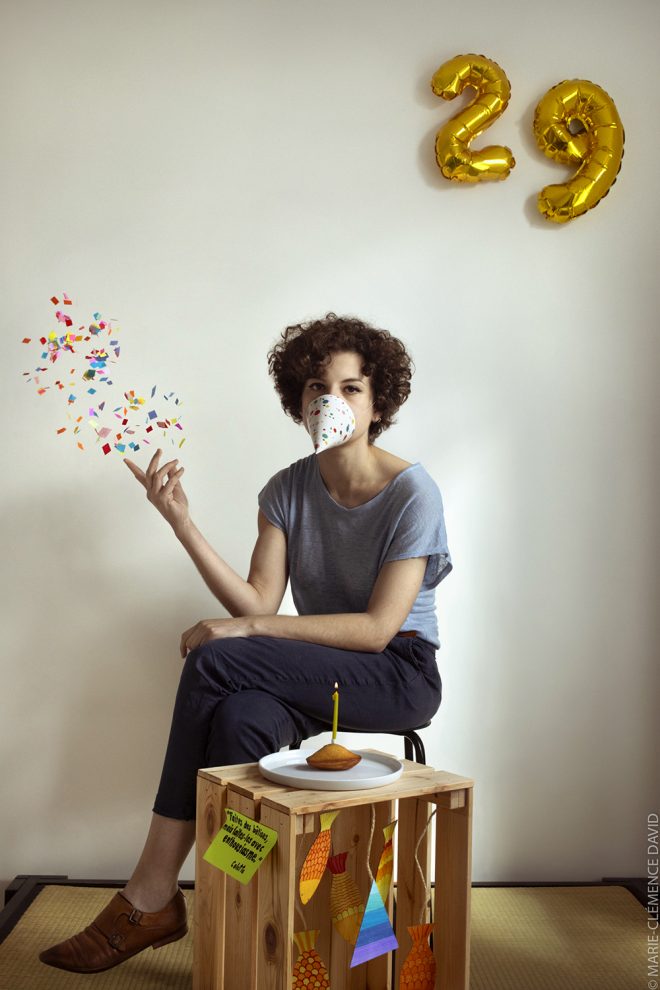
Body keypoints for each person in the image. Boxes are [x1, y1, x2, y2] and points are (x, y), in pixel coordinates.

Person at [39, 312, 452, 974]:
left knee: (217, 655)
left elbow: (376, 630)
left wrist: (246, 631)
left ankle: (148, 895)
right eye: (318, 387)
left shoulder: (412, 494)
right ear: (298, 402)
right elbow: (258, 603)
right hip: (314, 677)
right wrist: (183, 525)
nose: (332, 402)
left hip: (396, 674)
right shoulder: (287, 490)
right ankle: (241, 913)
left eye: (350, 388)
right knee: (239, 718)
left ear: (378, 406)